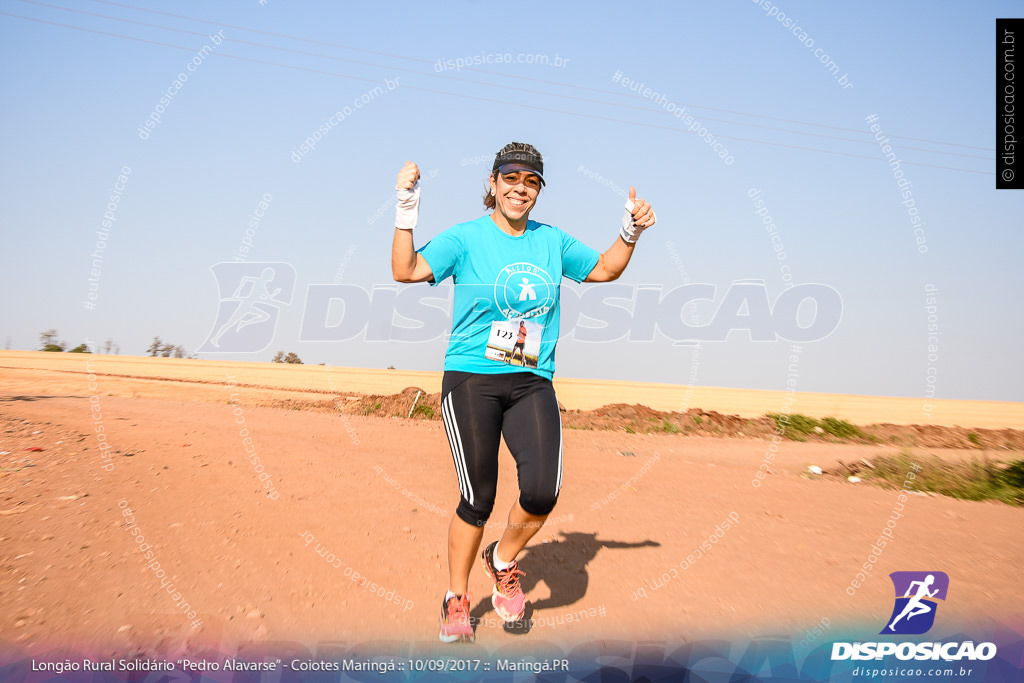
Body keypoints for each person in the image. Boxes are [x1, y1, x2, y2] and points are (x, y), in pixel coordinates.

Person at [390, 142, 656, 643]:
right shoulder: (466, 239)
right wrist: (407, 206)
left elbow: (603, 269)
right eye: (510, 179)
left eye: (531, 182)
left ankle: (502, 558)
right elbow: (405, 270)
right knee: (479, 496)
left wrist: (631, 231)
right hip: (472, 378)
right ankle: (456, 597)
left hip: (532, 378)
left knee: (541, 492)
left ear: (538, 192)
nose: (520, 189)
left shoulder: (550, 241)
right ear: (492, 184)